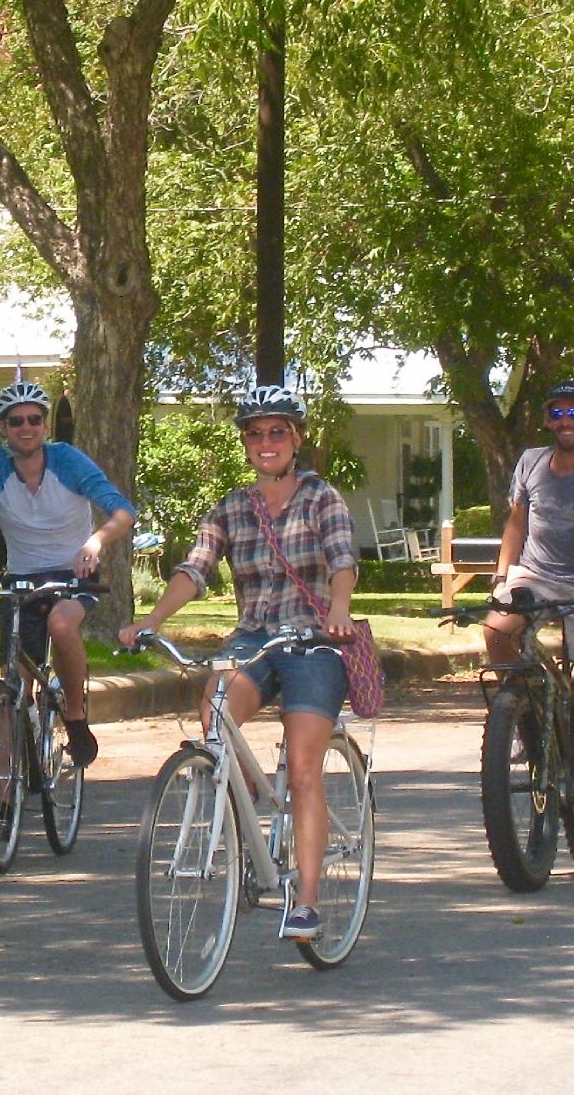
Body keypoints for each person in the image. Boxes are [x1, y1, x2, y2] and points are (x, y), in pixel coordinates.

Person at [118, 384, 357, 941]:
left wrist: (339, 610)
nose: (266, 442)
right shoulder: (231, 506)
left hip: (315, 643)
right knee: (215, 709)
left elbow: (343, 561)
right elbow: (195, 568)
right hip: (255, 637)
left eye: (277, 432)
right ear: (246, 443)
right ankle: (247, 797)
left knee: (303, 768)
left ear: (296, 439)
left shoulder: (324, 500)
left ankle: (307, 900)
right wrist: (153, 619)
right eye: (255, 433)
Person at [0, 380, 135, 766]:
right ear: (3, 428)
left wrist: (95, 543)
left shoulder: (68, 461)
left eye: (34, 419)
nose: (26, 427)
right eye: (16, 420)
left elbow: (122, 512)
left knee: (62, 624)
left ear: (45, 424)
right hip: (22, 579)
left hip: (74, 574)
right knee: (11, 684)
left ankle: (74, 714)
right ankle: (0, 804)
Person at [482, 378, 574, 845]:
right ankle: (522, 710)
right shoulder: (530, 463)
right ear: (548, 420)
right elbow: (516, 522)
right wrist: (503, 575)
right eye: (557, 413)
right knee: (496, 629)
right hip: (535, 574)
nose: (566, 421)